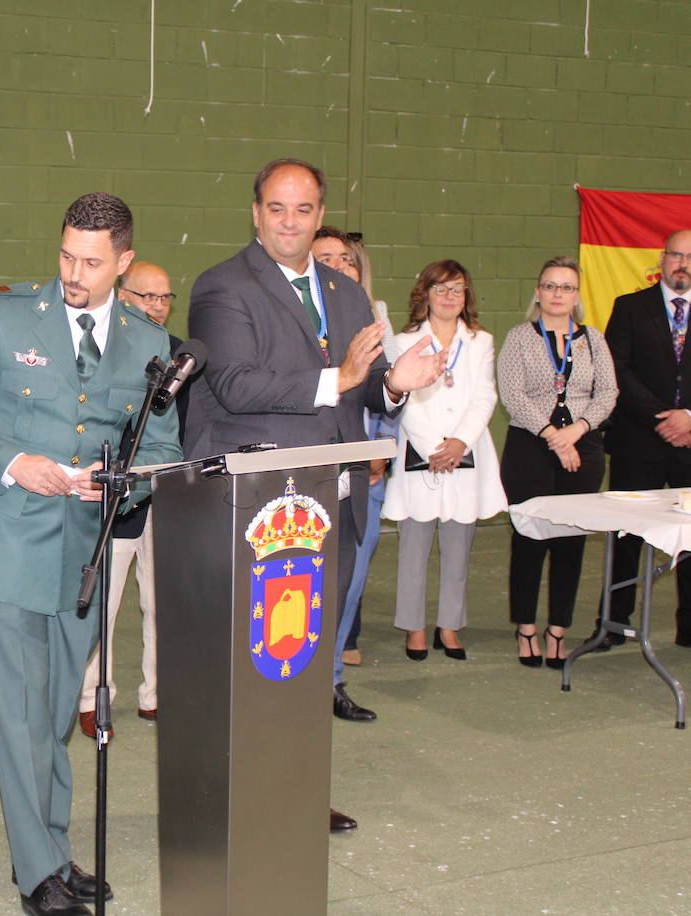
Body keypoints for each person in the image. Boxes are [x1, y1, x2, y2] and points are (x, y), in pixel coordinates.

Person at [0, 193, 183, 916]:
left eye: (91, 262)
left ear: (124, 262)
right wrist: (12, 462)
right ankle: (37, 870)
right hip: (6, 540)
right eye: (66, 255)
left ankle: (53, 851)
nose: (73, 273)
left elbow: (161, 449)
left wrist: (119, 485)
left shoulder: (147, 342)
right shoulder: (5, 316)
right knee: (19, 714)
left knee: (58, 711)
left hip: (85, 549)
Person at [183, 158, 444, 835]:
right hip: (256, 505)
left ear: (320, 215)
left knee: (304, 657)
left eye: (303, 210)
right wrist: (340, 378)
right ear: (256, 213)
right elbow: (236, 385)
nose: (290, 222)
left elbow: (368, 383)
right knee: (249, 659)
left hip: (333, 499)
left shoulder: (345, 291)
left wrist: (396, 383)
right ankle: (234, 795)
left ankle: (296, 791)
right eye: (277, 208)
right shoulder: (222, 286)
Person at [382, 260, 508, 661]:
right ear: (425, 294)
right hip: (421, 452)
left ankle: (450, 626)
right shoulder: (404, 341)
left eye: (457, 289)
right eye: (441, 289)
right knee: (414, 547)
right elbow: (405, 398)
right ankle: (414, 628)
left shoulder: (481, 341)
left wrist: (459, 443)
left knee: (458, 547)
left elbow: (485, 395)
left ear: (466, 296)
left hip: (464, 453)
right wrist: (433, 447)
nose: (450, 297)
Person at [76, 261, 181, 739]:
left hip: (170, 497)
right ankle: (92, 698)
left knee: (164, 604)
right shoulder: (98, 350)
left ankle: (157, 694)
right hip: (113, 500)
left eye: (164, 297)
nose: (157, 306)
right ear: (122, 296)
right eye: (146, 296)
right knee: (105, 604)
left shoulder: (178, 356)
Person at [498, 257, 617, 667]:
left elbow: (608, 393)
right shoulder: (519, 337)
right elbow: (512, 393)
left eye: (566, 287)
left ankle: (557, 630)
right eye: (550, 286)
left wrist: (576, 430)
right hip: (530, 447)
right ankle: (526, 628)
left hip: (583, 446)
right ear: (538, 292)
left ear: (576, 296)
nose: (557, 294)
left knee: (570, 542)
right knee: (529, 539)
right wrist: (553, 435)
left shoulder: (593, 339)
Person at [592, 230, 691, 650]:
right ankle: (614, 624)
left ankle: (689, 628)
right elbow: (617, 370)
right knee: (627, 538)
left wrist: (688, 418)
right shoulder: (630, 307)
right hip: (638, 442)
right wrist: (662, 418)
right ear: (662, 259)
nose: (682, 264)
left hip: (690, 443)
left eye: (690, 257)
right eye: (676, 255)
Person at [311, 227, 399, 671]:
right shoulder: (299, 318)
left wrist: (379, 446)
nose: (338, 267)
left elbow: (382, 386)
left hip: (362, 468)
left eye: (345, 259)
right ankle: (306, 684)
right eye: (325, 259)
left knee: (348, 579)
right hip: (306, 471)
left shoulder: (370, 317)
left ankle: (333, 678)